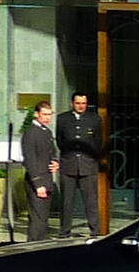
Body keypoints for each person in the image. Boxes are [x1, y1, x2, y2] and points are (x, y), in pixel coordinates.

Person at [55, 92, 101, 237]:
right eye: (78, 103)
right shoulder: (62, 119)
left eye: (84, 103)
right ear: (72, 103)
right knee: (66, 202)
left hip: (88, 165)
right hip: (69, 164)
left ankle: (95, 231)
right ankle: (64, 231)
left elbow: (98, 142)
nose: (81, 106)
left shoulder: (94, 119)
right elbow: (60, 141)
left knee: (91, 202)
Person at [21, 101, 59, 241]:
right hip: (37, 182)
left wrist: (55, 162)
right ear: (36, 114)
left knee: (43, 219)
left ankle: (40, 244)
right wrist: (38, 184)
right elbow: (30, 160)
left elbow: (52, 152)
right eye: (44, 114)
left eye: (49, 115)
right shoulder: (31, 133)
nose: (47, 118)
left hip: (47, 179)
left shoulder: (47, 132)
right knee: (37, 219)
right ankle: (33, 247)